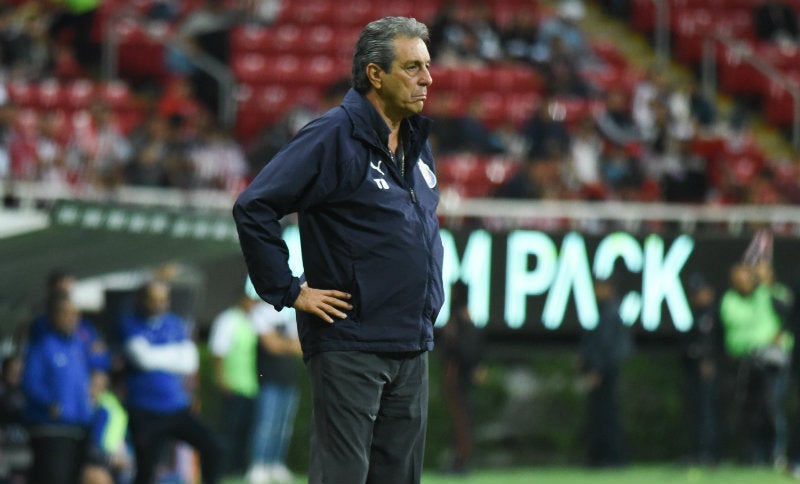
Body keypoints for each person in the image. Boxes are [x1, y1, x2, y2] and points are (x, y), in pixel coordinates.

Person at [233, 16, 444, 484]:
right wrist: (289, 291)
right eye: (412, 67)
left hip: (410, 341)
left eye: (426, 66)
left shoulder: (416, 141)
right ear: (375, 74)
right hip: (352, 343)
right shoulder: (331, 136)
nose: (427, 79)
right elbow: (254, 206)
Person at [119, 281, 223, 484]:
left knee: (214, 447)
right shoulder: (129, 322)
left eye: (163, 300)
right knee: (146, 470)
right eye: (153, 299)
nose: (159, 304)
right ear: (142, 300)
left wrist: (156, 355)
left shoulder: (175, 323)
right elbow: (143, 359)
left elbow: (190, 363)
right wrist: (173, 355)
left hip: (176, 408)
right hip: (145, 410)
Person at [719, 262, 793, 466]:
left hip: (772, 362)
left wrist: (764, 284)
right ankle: (754, 456)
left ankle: (777, 454)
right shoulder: (731, 300)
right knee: (749, 410)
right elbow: (740, 329)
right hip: (746, 362)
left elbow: (788, 309)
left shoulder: (769, 293)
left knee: (772, 407)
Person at [21, 294, 93, 484]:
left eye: (75, 314)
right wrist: (50, 404)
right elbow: (30, 382)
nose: (71, 318)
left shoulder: (78, 347)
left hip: (77, 427)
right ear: (52, 317)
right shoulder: (42, 347)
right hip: (51, 427)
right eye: (65, 314)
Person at [246, 291, 302, 484]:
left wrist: (282, 343)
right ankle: (258, 464)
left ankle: (275, 464)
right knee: (265, 424)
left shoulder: (291, 311)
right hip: (268, 378)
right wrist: (287, 344)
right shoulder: (260, 311)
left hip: (289, 379)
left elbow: (299, 346)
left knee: (284, 426)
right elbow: (271, 345)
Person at [577, 277, 632, 468]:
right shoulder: (605, 311)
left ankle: (611, 458)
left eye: (598, 288)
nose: (595, 292)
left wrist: (597, 370)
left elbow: (606, 345)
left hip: (606, 374)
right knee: (601, 415)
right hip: (604, 372)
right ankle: (602, 457)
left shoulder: (610, 312)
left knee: (606, 415)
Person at [207, 288, 261, 478]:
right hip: (232, 386)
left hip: (248, 387)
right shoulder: (228, 319)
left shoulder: (249, 321)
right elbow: (218, 352)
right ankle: (221, 469)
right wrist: (222, 380)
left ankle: (238, 469)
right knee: (227, 431)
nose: (255, 305)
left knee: (243, 431)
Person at [438, 281, 485, 475]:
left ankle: (461, 463)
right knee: (463, 420)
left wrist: (474, 364)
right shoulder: (464, 318)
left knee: (462, 421)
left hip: (457, 378)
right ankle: (459, 461)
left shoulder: (458, 320)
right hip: (461, 378)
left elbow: (462, 349)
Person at [681, 274, 722, 466]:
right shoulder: (697, 315)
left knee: (708, 412)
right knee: (699, 412)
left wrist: (706, 358)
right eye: (694, 293)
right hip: (695, 374)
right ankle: (700, 451)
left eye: (700, 292)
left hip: (710, 375)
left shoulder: (711, 314)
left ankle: (709, 453)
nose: (696, 296)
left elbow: (714, 344)